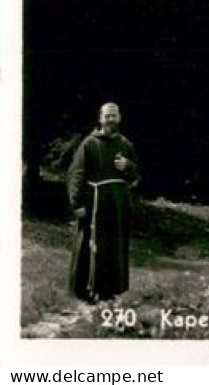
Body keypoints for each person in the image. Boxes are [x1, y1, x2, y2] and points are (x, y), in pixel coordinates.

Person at [67, 102, 140, 302]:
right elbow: (76, 175)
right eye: (107, 116)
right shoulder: (89, 143)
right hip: (94, 202)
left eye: (114, 116)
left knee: (113, 247)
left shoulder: (126, 145)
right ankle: (84, 291)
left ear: (120, 118)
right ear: (100, 118)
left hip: (117, 205)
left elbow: (136, 176)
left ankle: (110, 291)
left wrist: (128, 166)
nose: (110, 119)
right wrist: (76, 204)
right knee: (89, 245)